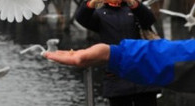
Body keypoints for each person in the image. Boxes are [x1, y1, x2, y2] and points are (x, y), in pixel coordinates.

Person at [75, 0, 160, 106]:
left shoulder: (134, 9)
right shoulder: (100, 14)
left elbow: (149, 19)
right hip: (116, 76)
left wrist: (130, 0)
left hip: (142, 72)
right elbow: (81, 18)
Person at [43, 39, 195, 94]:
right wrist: (113, 55)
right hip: (121, 68)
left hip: (130, 70)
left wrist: (134, 4)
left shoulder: (131, 8)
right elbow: (179, 55)